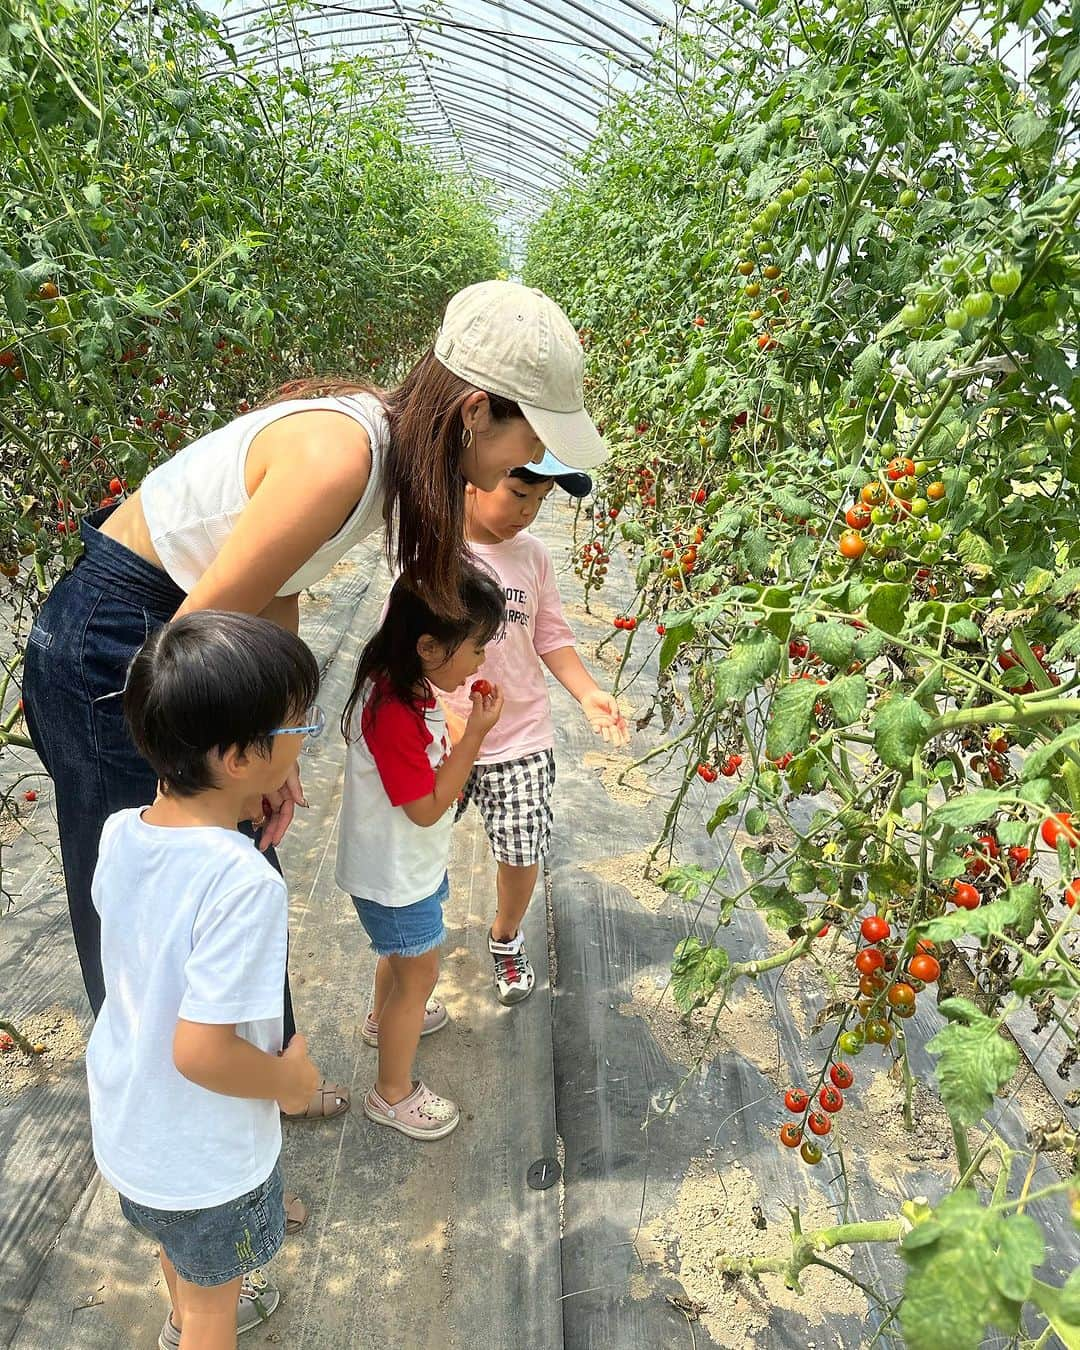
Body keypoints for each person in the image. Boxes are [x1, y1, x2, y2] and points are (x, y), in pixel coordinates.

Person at [21, 282, 608, 1142]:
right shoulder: (343, 457)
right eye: (534, 436)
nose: (534, 464)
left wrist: (282, 749)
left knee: (236, 879)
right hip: (131, 644)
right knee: (159, 912)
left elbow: (279, 591)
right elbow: (185, 650)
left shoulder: (379, 458)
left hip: (183, 643)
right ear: (477, 412)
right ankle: (185, 1163)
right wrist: (232, 759)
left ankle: (264, 1107)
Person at [86, 612, 323, 1350]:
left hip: (133, 1136)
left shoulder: (121, 831)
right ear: (237, 758)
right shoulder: (243, 884)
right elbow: (202, 1052)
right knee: (217, 1308)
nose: (302, 741)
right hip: (206, 1157)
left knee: (179, 1257)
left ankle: (179, 1319)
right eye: (297, 731)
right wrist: (292, 1086)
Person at [443, 453, 630, 1004]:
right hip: (442, 733)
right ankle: (414, 956)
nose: (527, 512)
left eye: (540, 501)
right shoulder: (434, 550)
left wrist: (588, 692)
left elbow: (550, 635)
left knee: (523, 852)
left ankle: (504, 937)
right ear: (476, 479)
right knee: (417, 852)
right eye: (519, 494)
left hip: (519, 733)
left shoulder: (533, 557)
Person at [336, 563, 506, 1139]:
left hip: (405, 864)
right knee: (420, 973)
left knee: (401, 957)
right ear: (428, 645)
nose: (481, 660)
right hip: (395, 871)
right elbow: (428, 806)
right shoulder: (392, 712)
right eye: (477, 647)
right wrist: (475, 737)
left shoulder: (400, 685)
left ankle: (384, 1022)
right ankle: (392, 1093)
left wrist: (457, 728)